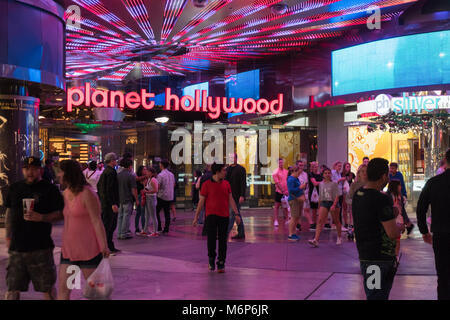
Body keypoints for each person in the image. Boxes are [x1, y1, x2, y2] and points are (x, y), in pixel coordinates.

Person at [4, 157, 64, 300]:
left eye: (33, 169)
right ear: (22, 170)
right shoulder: (14, 188)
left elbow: (61, 214)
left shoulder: (50, 189)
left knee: (47, 288)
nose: (29, 172)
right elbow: (9, 213)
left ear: (40, 170)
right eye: (26, 169)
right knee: (12, 288)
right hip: (17, 248)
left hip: (41, 247)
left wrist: (42, 217)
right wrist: (8, 235)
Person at [52, 160, 109, 300]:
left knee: (98, 294)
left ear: (69, 173)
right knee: (64, 291)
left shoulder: (87, 193)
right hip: (69, 251)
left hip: (88, 251)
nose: (58, 175)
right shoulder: (65, 193)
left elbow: (97, 220)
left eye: (60, 171)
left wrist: (104, 246)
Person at [352, 158, 401, 300]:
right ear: (384, 176)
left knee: (374, 295)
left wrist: (391, 212)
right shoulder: (382, 199)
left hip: (366, 255)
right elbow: (392, 233)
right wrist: (399, 227)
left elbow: (370, 215)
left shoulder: (358, 195)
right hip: (380, 258)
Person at [193, 163, 240, 273]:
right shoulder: (206, 185)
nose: (225, 172)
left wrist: (237, 214)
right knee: (211, 239)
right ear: (217, 172)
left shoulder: (226, 184)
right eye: (224, 170)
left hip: (224, 216)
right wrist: (196, 217)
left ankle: (221, 262)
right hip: (211, 216)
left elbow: (231, 199)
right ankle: (211, 259)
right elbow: (201, 202)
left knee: (223, 240)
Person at [416, 149, 450, 300]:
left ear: (445, 160)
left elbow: (420, 209)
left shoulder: (434, 183)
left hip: (441, 235)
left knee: (443, 276)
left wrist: (424, 231)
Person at [308, 168, 342, 247]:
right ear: (323, 175)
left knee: (336, 221)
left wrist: (334, 205)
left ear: (331, 174)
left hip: (333, 202)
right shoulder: (321, 184)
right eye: (325, 173)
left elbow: (337, 195)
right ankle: (316, 240)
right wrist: (319, 206)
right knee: (320, 221)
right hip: (324, 202)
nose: (327, 174)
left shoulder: (334, 184)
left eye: (329, 173)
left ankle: (339, 237)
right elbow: (320, 196)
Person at [97, 152, 121, 255]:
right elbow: (110, 189)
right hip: (109, 204)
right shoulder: (111, 172)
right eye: (115, 160)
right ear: (112, 161)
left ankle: (109, 246)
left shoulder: (104, 172)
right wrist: (113, 203)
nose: (116, 162)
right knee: (110, 226)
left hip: (104, 203)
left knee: (108, 225)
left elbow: (99, 186)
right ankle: (106, 247)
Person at [389, 162, 414, 235]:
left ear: (396, 169)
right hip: (393, 195)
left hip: (399, 195)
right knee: (401, 211)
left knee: (401, 210)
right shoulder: (389, 175)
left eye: (393, 168)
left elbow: (401, 185)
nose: (391, 169)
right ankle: (409, 224)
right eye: (390, 168)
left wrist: (404, 195)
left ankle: (407, 224)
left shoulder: (399, 175)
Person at [226, 153, 247, 240]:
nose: (231, 159)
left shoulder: (241, 169)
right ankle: (241, 232)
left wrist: (242, 195)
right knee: (236, 213)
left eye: (232, 157)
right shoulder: (227, 169)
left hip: (237, 195)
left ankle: (226, 232)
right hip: (229, 195)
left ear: (236, 158)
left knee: (233, 213)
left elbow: (243, 183)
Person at [117, 158, 138, 240]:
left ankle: (119, 233)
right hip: (128, 199)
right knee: (126, 217)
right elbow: (134, 189)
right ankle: (124, 233)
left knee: (120, 217)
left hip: (119, 199)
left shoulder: (118, 175)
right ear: (130, 166)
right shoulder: (131, 176)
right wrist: (136, 199)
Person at [387, 180, 406, 259]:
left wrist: (405, 221)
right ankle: (392, 255)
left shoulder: (400, 196)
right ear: (395, 186)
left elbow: (402, 210)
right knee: (392, 239)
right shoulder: (389, 196)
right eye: (399, 185)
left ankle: (396, 256)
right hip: (392, 220)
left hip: (399, 219)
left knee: (397, 239)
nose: (400, 187)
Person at [156, 159, 175, 234]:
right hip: (170, 196)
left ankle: (159, 227)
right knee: (167, 213)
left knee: (156, 211)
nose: (159, 165)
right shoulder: (171, 174)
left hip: (162, 196)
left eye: (160, 164)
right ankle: (166, 228)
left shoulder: (160, 175)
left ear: (162, 165)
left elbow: (158, 186)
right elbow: (173, 184)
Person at [346, 164, 368, 230]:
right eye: (362, 171)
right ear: (359, 173)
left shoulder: (372, 183)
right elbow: (348, 198)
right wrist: (355, 202)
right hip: (357, 212)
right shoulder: (354, 185)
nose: (364, 173)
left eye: (366, 171)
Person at [287, 166, 305, 241]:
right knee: (294, 217)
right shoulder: (291, 179)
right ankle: (290, 234)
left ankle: (293, 233)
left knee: (296, 217)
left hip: (297, 199)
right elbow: (291, 190)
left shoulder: (295, 179)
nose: (299, 174)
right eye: (298, 173)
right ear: (294, 171)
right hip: (294, 200)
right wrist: (300, 188)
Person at [142, 167, 159, 237]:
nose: (146, 173)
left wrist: (147, 191)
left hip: (151, 198)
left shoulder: (153, 180)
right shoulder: (149, 179)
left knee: (153, 215)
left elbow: (156, 190)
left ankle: (155, 231)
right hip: (148, 198)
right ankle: (145, 230)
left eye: (148, 171)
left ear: (151, 173)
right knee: (147, 215)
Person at [272, 158, 289, 227]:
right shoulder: (275, 172)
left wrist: (287, 191)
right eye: (279, 163)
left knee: (286, 206)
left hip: (286, 192)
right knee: (277, 206)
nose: (281, 164)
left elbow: (288, 181)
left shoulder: (286, 171)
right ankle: (276, 220)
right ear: (277, 163)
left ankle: (287, 219)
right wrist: (283, 191)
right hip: (279, 192)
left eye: (282, 162)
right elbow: (277, 183)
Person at [198, 164, 212, 235]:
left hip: (205, 197)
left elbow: (200, 188)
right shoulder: (214, 175)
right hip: (212, 197)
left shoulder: (203, 177)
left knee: (206, 213)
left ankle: (205, 230)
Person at [331, 161, 346, 229]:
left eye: (340, 166)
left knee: (339, 208)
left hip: (339, 192)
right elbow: (333, 182)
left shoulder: (339, 173)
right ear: (335, 166)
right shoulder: (333, 172)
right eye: (338, 166)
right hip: (335, 193)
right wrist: (340, 179)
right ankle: (337, 224)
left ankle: (336, 223)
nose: (340, 167)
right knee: (337, 209)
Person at [308, 161, 322, 230]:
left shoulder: (320, 174)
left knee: (320, 208)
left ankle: (319, 223)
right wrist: (322, 182)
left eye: (316, 166)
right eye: (314, 167)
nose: (316, 168)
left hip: (320, 192)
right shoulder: (311, 174)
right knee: (314, 209)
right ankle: (313, 223)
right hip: (313, 193)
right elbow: (315, 183)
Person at [296, 160, 309, 231]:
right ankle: (295, 223)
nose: (301, 167)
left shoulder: (305, 174)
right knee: (296, 210)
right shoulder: (295, 174)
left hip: (303, 193)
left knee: (301, 210)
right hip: (296, 194)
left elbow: (306, 184)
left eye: (302, 165)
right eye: (300, 165)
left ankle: (299, 223)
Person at [341, 162, 355, 229]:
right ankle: (346, 222)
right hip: (344, 192)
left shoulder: (352, 174)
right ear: (344, 167)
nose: (348, 168)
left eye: (349, 166)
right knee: (345, 208)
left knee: (351, 208)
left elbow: (355, 181)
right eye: (347, 166)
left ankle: (351, 222)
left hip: (350, 192)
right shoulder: (342, 174)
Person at [134, 165, 148, 234]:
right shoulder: (137, 177)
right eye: (144, 169)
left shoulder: (146, 178)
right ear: (141, 170)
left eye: (146, 169)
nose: (145, 171)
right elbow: (136, 187)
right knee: (141, 212)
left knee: (141, 212)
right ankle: (142, 228)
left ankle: (141, 228)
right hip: (140, 196)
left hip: (144, 196)